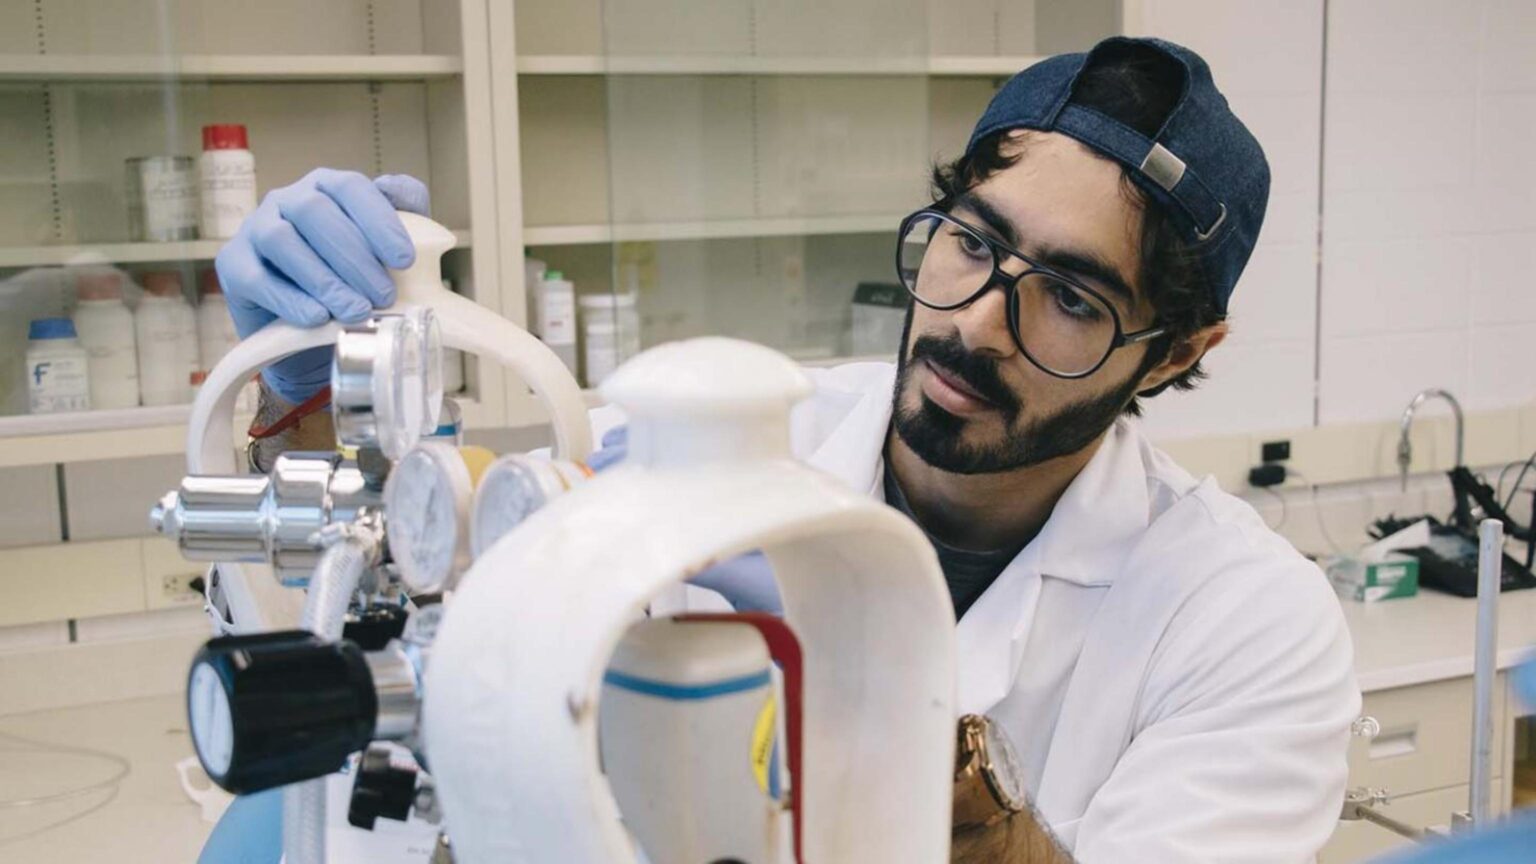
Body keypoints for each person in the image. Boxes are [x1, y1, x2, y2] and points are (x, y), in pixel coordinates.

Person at [215, 37, 1359, 863]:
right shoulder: (729, 434)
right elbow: (414, 554)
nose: (973, 321)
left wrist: (962, 810)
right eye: (973, 242)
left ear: (1173, 353)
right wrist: (307, 380)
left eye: (1067, 295)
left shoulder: (1246, 622)